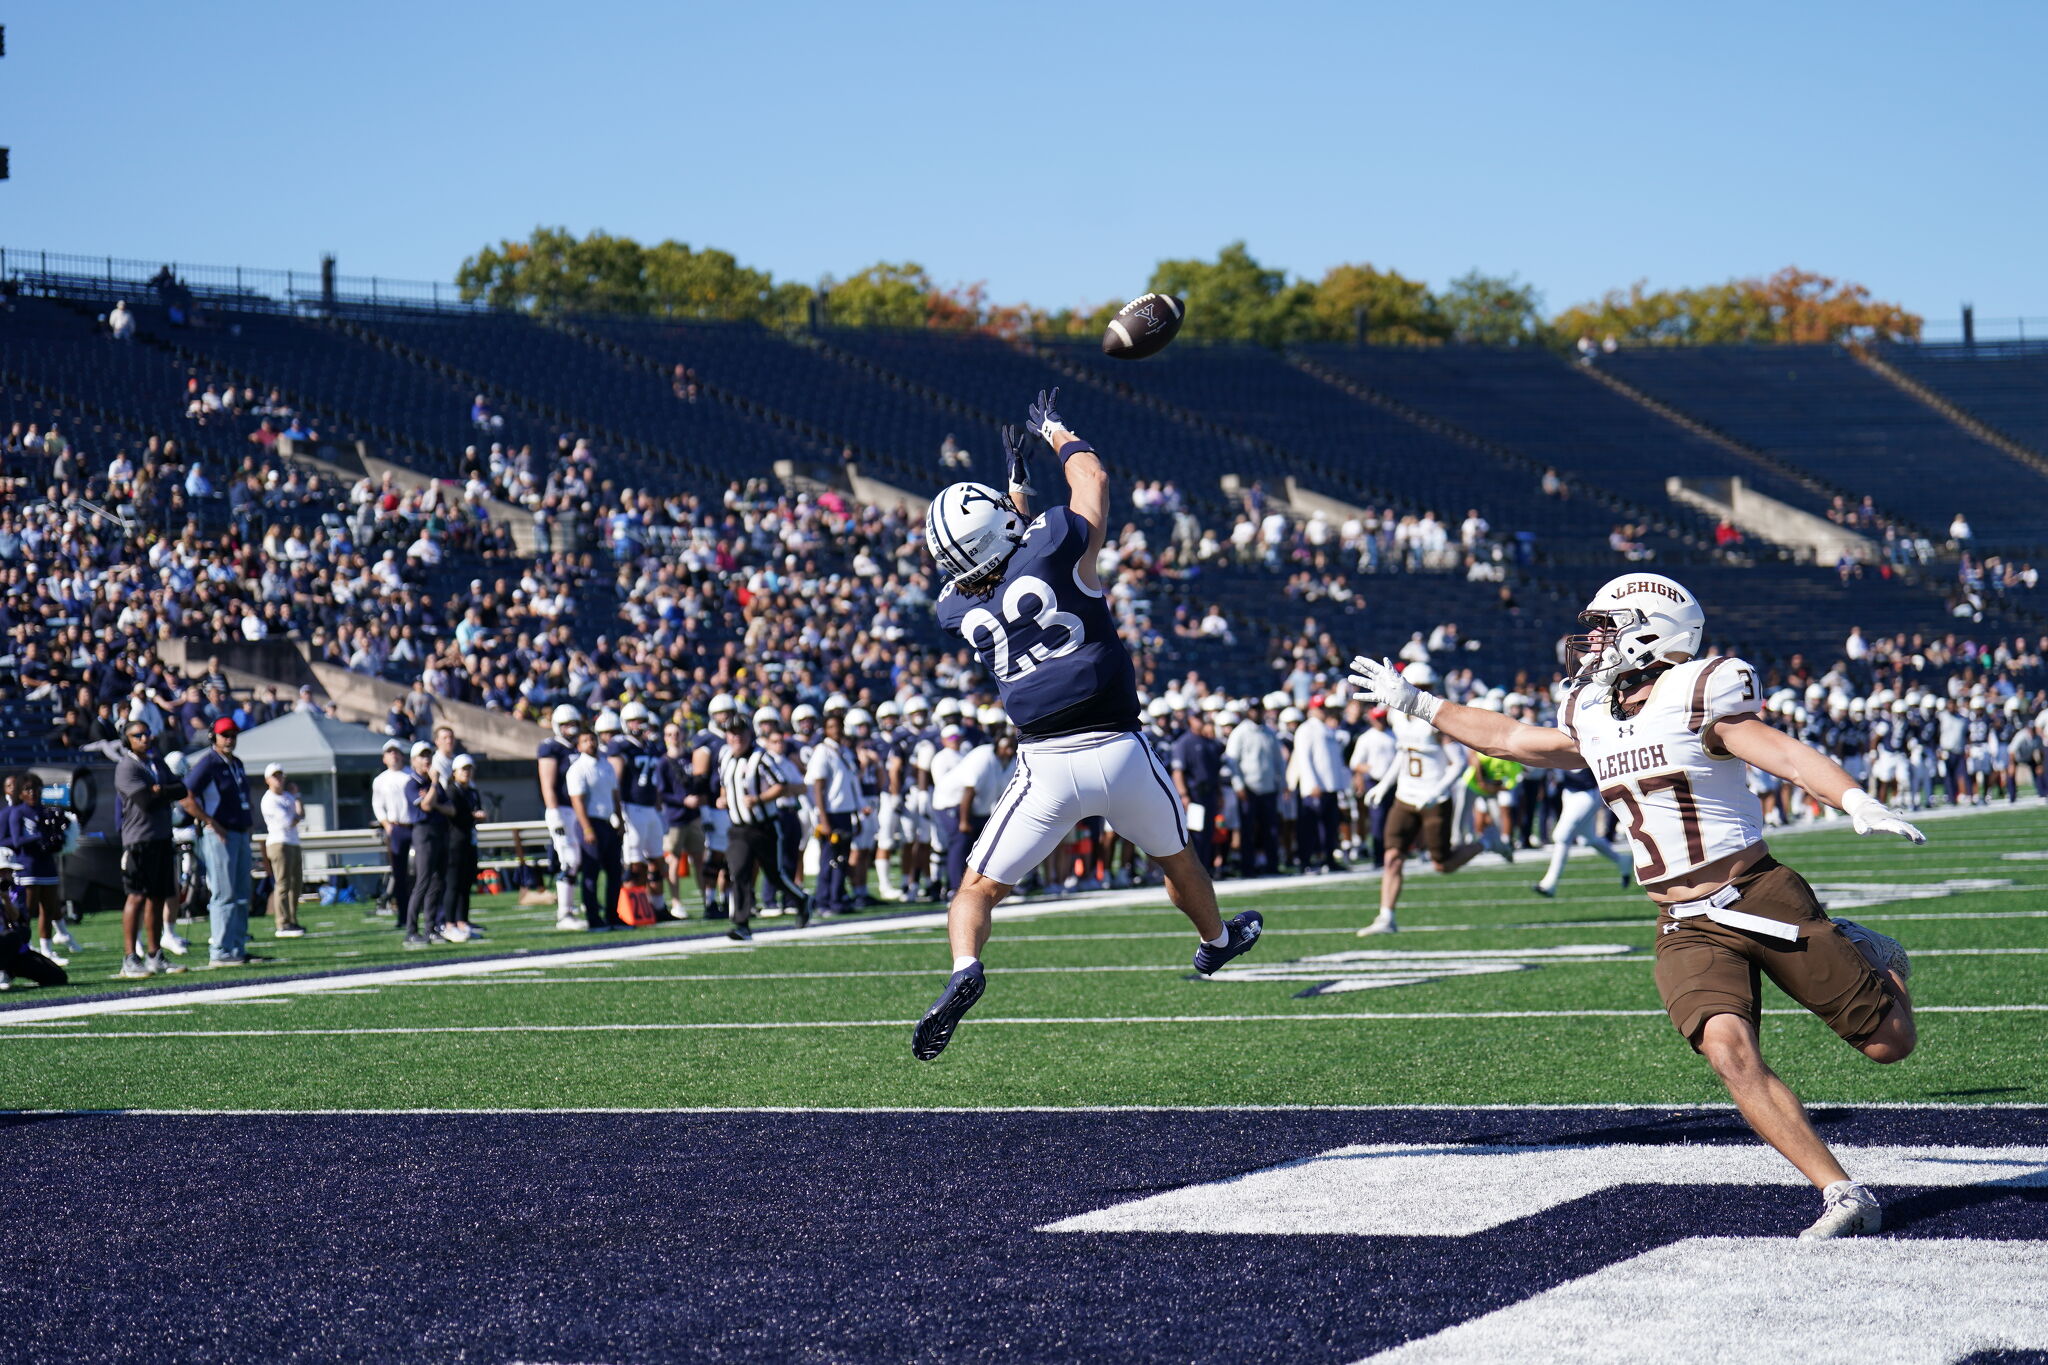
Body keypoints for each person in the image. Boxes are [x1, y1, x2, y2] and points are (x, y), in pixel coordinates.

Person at [1351, 571, 1925, 1239]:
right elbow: (1511, 738)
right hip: (1684, 923)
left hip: (1759, 893)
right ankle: (1840, 1190)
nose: (1591, 639)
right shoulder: (1593, 713)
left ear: (1651, 629)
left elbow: (1784, 753)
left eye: (1606, 624)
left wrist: (1853, 799)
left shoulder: (1699, 694)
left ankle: (1873, 954)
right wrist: (1420, 703)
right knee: (1727, 1048)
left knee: (1890, 1043)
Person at [913, 391, 1263, 1061]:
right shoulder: (1053, 543)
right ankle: (1217, 941)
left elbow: (997, 567)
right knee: (1175, 857)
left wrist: (1015, 494)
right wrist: (1055, 431)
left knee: (976, 890)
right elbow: (1092, 481)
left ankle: (964, 968)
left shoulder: (955, 609)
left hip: (1045, 767)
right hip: (1120, 750)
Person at [1359, 662, 1482, 934]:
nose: (1421, 692)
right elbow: (1403, 754)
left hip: (1434, 799)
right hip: (1405, 796)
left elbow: (1459, 764)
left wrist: (1437, 791)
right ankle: (1386, 916)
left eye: (1425, 688)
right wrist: (1384, 785)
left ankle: (1485, 842)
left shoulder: (1438, 719)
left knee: (1442, 864)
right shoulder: (1396, 715)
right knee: (1392, 857)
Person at [715, 709, 810, 941]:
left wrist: (758, 799)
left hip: (764, 827)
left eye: (740, 733)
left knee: (775, 875)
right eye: (731, 733)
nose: (736, 738)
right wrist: (723, 798)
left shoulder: (761, 757)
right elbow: (724, 784)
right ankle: (741, 924)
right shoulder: (725, 756)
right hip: (738, 828)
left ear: (749, 734)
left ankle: (801, 900)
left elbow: (781, 785)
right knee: (739, 873)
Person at [179, 718, 263, 967]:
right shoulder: (208, 763)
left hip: (238, 832)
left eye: (233, 734)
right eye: (224, 734)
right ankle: (220, 949)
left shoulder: (235, 763)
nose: (230, 739)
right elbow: (186, 796)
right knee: (224, 893)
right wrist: (209, 821)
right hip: (220, 834)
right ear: (213, 737)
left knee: (240, 892)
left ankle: (236, 946)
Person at [113, 720, 188, 976]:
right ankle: (130, 957)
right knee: (136, 896)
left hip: (162, 836)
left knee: (158, 896)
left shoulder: (156, 762)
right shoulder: (126, 766)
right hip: (139, 839)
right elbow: (145, 801)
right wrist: (160, 792)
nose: (145, 739)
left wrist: (160, 789)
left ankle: (155, 954)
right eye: (138, 735)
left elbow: (181, 788)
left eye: (147, 734)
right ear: (128, 740)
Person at [0, 778, 76, 965]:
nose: (33, 793)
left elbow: (55, 833)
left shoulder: (45, 810)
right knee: (28, 911)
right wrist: (40, 837)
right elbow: (17, 841)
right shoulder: (17, 812)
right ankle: (25, 945)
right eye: (28, 789)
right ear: (20, 793)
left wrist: (59, 837)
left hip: (47, 865)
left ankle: (47, 949)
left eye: (36, 789)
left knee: (49, 909)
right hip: (28, 866)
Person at [1531, 765, 1632, 898]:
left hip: (1587, 792)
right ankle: (1622, 860)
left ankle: (1549, 884)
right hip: (1569, 791)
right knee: (1587, 839)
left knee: (1561, 835)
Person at [804, 710, 862, 917]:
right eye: (831, 727)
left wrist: (856, 812)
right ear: (825, 730)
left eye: (838, 726)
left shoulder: (844, 751)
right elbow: (817, 785)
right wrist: (822, 817)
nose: (836, 730)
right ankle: (824, 900)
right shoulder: (822, 751)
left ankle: (838, 897)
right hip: (831, 812)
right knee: (830, 858)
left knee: (842, 859)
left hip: (845, 811)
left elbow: (850, 785)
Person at [565, 728, 623, 932]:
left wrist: (620, 820)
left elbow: (615, 794)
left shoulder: (606, 765)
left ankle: (613, 915)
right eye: (585, 740)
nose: (590, 743)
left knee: (615, 872)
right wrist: (587, 828)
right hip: (590, 822)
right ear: (579, 745)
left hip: (608, 823)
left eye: (592, 739)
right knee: (591, 873)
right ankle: (593, 917)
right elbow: (577, 801)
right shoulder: (578, 768)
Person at [402, 742, 455, 948]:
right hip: (424, 832)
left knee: (438, 882)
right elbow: (424, 805)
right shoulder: (412, 783)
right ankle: (411, 930)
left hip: (440, 831)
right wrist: (433, 784)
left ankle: (431, 928)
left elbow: (450, 809)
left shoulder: (436, 784)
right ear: (413, 761)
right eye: (422, 757)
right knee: (422, 882)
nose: (426, 760)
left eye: (428, 756)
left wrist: (435, 801)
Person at [1170, 710, 1226, 873]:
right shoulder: (1184, 743)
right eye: (1197, 718)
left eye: (1201, 717)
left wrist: (1219, 793)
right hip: (1194, 795)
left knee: (1209, 833)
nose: (1200, 721)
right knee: (1196, 835)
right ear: (1190, 720)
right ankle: (1195, 871)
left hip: (1209, 794)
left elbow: (1214, 773)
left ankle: (1206, 869)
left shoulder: (1209, 743)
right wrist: (1184, 795)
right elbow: (1178, 771)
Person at [259, 763, 306, 939]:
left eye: (280, 776)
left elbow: (301, 814)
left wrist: (297, 797)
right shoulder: (269, 799)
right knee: (283, 883)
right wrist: (297, 813)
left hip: (293, 841)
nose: (279, 779)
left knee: (296, 883)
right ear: (267, 780)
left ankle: (292, 919)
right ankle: (282, 922)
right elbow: (289, 821)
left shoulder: (288, 796)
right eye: (275, 776)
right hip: (279, 842)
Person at [370, 738, 414, 924]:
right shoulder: (381, 780)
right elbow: (378, 805)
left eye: (396, 752)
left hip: (414, 826)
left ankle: (419, 911)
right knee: (399, 874)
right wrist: (387, 825)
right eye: (390, 752)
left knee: (419, 872)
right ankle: (403, 915)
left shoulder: (411, 775)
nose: (394, 755)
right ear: (384, 758)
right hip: (396, 828)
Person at [442, 754, 485, 941]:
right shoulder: (452, 791)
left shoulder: (472, 791)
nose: (467, 773)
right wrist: (473, 815)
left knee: (466, 884)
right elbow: (457, 815)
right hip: (454, 842)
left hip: (469, 840)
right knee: (453, 884)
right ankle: (449, 923)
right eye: (463, 769)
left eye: (469, 769)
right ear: (454, 772)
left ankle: (462, 922)